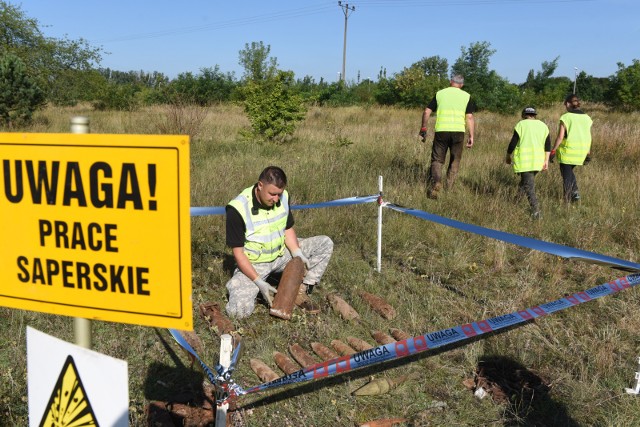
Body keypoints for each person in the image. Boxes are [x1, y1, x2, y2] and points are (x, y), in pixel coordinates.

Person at [224, 166, 334, 319]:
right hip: (255, 264)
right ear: (260, 185)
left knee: (324, 243)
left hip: (281, 254)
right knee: (238, 312)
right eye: (272, 194)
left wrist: (296, 252)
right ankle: (251, 285)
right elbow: (238, 253)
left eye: (279, 194)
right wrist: (258, 282)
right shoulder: (237, 209)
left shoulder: (283, 197)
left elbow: (287, 228)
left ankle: (299, 291)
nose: (276, 199)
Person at [419, 74, 475, 199]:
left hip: (442, 131)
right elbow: (470, 117)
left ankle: (437, 182)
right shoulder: (466, 96)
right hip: (458, 132)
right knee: (455, 160)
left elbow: (427, 111)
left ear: (451, 82)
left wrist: (423, 128)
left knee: (437, 160)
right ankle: (449, 188)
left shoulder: (440, 93)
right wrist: (471, 136)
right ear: (462, 85)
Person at [505, 106, 551, 218]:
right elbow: (548, 145)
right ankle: (515, 204)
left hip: (525, 162)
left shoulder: (521, 125)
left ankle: (536, 211)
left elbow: (513, 143)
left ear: (523, 115)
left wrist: (508, 156)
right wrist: (546, 161)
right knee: (525, 183)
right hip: (538, 161)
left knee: (529, 186)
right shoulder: (543, 126)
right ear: (535, 115)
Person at [550, 94, 593, 202]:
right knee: (569, 172)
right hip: (582, 152)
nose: (565, 107)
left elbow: (560, 137)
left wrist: (553, 151)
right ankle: (575, 192)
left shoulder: (566, 117)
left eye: (565, 104)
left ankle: (568, 199)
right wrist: (588, 152)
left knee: (566, 176)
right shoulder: (587, 118)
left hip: (568, 151)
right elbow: (588, 136)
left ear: (568, 104)